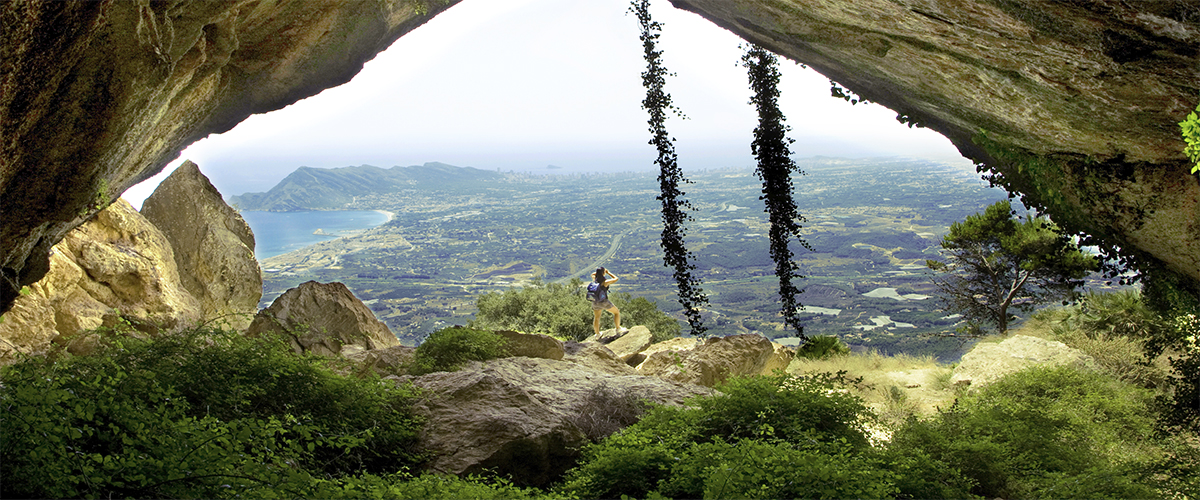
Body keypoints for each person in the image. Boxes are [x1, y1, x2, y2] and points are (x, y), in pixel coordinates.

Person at [588, 267, 625, 336]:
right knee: (616, 312)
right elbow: (616, 279)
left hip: (595, 301)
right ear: (603, 273)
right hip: (603, 302)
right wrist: (608, 273)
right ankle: (618, 328)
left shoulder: (594, 279)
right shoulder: (605, 282)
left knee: (596, 318)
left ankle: (597, 334)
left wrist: (600, 273)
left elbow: (592, 274)